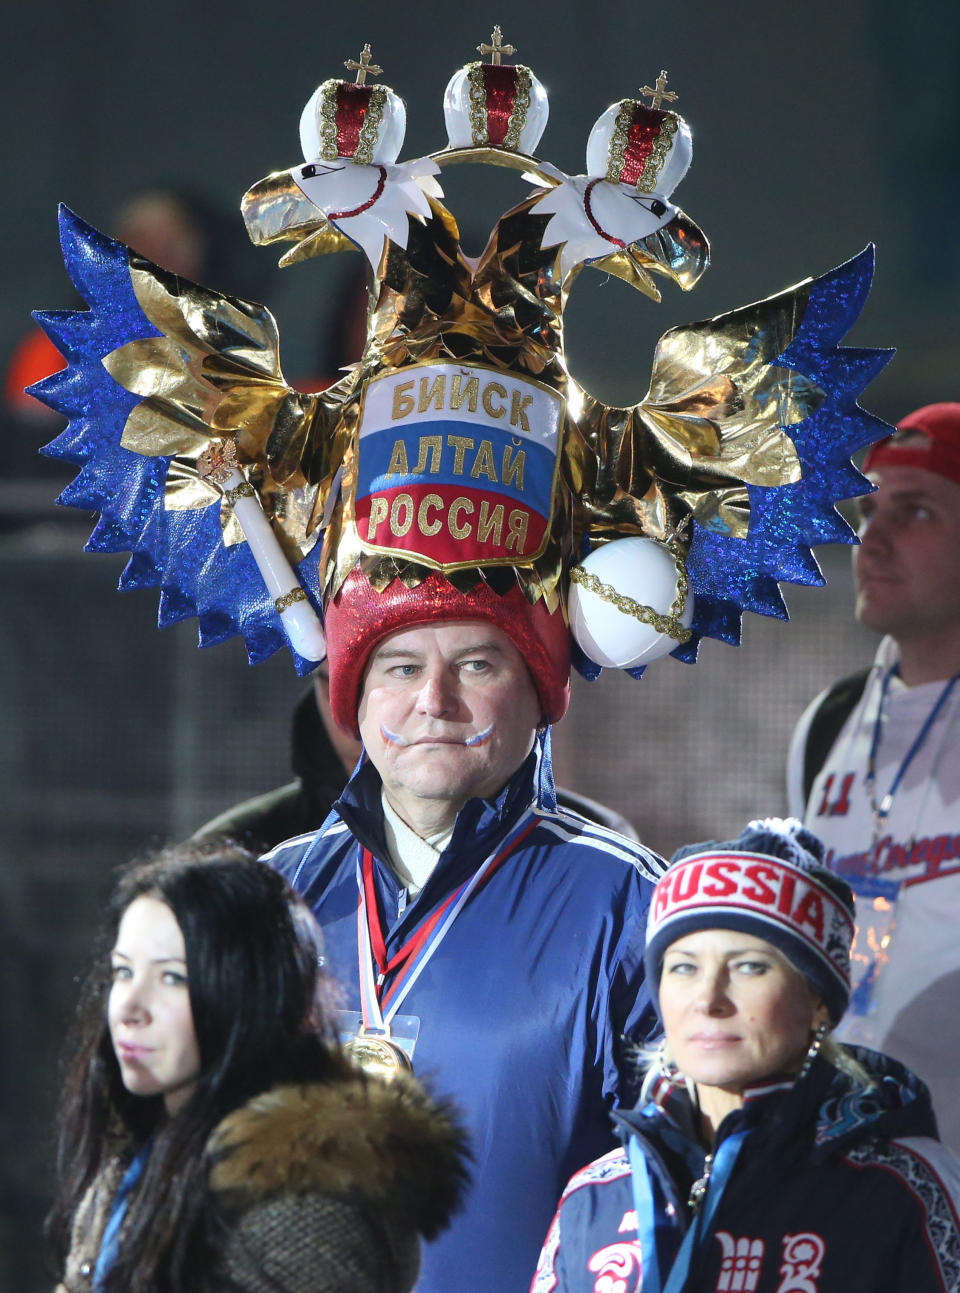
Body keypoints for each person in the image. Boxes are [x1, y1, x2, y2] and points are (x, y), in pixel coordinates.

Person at [265, 588, 665, 1293]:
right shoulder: (269, 896)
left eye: (477, 666)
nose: (434, 700)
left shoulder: (630, 903)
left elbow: (688, 1188)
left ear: (542, 693)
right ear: (353, 697)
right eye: (399, 667)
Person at [532, 818, 960, 1293]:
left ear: (818, 1000)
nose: (709, 998)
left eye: (749, 967)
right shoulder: (597, 1194)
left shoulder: (902, 1188)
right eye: (683, 968)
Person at [49, 844, 467, 1293]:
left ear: (248, 991)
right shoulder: (138, 1148)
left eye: (171, 977)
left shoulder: (305, 1210)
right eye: (124, 972)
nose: (129, 1008)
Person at [786, 402, 960, 1150]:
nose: (871, 539)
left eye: (915, 511)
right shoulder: (830, 722)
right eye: (866, 509)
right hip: (850, 1192)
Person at [193, 666, 640, 854]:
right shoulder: (247, 850)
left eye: (474, 665)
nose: (431, 703)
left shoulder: (597, 848)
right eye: (331, 684)